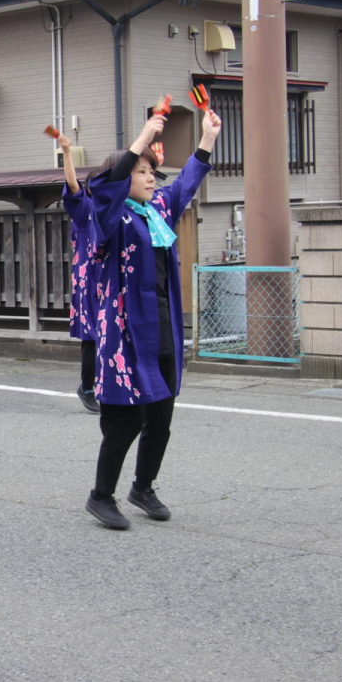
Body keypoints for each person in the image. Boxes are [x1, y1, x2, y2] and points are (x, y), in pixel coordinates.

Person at [81, 106, 221, 531]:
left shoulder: (155, 211)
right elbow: (104, 186)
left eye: (152, 172)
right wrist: (142, 138)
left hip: (161, 327)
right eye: (141, 171)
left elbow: (184, 186)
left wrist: (207, 139)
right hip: (125, 335)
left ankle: (143, 487)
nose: (150, 178)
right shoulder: (107, 215)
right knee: (126, 422)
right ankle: (100, 495)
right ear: (124, 177)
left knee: (161, 418)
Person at [59, 134, 101, 414]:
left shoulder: (115, 209)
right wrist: (67, 153)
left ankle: (105, 385)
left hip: (111, 281)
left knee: (111, 334)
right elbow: (73, 186)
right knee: (92, 335)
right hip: (90, 282)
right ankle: (87, 387)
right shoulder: (85, 208)